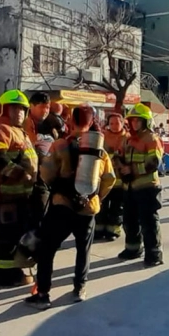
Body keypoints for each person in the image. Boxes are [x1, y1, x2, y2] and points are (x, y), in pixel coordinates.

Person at [25, 105, 116, 310]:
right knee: (83, 250)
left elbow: (46, 173)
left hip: (62, 205)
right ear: (93, 122)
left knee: (48, 249)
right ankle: (79, 289)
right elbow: (110, 178)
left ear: (71, 121)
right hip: (87, 208)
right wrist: (96, 198)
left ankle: (43, 294)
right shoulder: (99, 151)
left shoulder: (60, 145)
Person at [0, 90, 38, 286]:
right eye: (14, 108)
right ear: (4, 109)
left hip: (16, 195)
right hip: (6, 195)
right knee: (7, 237)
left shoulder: (18, 130)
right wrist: (21, 173)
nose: (19, 112)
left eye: (22, 109)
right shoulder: (1, 129)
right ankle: (5, 276)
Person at [115, 103, 164, 267]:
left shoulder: (152, 138)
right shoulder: (127, 139)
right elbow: (118, 155)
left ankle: (154, 253)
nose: (135, 124)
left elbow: (154, 163)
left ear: (146, 122)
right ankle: (133, 248)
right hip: (129, 187)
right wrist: (120, 167)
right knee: (129, 221)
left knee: (149, 222)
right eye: (133, 121)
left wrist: (132, 170)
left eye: (138, 121)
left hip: (147, 187)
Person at [96, 113, 128, 241]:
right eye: (112, 123)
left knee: (117, 207)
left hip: (120, 180)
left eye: (117, 123)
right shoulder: (103, 136)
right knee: (101, 206)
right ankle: (98, 230)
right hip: (105, 179)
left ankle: (113, 231)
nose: (114, 126)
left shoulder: (127, 137)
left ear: (122, 123)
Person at [24, 92, 52, 228]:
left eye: (47, 107)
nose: (45, 111)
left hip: (45, 176)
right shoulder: (26, 122)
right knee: (36, 216)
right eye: (42, 107)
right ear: (32, 106)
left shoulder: (48, 124)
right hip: (32, 179)